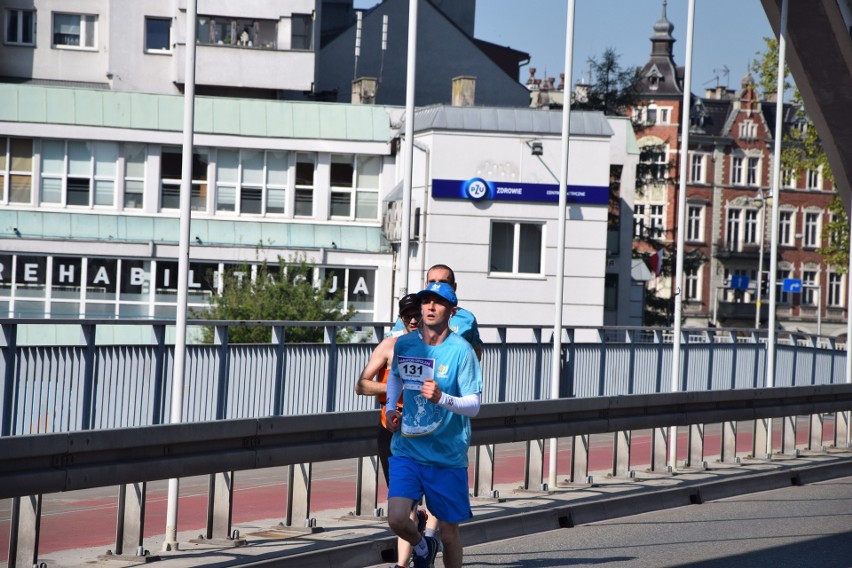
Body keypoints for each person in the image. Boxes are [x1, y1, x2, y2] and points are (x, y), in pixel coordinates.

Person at [385, 282, 482, 568]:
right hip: (408, 448)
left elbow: (474, 405)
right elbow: (395, 376)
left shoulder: (461, 351)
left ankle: (433, 544)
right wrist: (391, 407)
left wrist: (442, 398)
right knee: (397, 519)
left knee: (450, 534)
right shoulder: (405, 343)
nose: (429, 307)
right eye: (426, 301)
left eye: (437, 302)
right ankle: (422, 544)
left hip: (446, 456)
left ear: (451, 310)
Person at [355, 293, 427, 568]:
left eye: (416, 313)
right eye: (407, 315)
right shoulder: (389, 346)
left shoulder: (438, 348)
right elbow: (361, 385)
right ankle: (420, 542)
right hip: (391, 431)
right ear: (400, 317)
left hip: (424, 433)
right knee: (401, 503)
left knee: (407, 504)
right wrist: (394, 387)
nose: (412, 319)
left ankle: (403, 564)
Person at [391, 264, 483, 361]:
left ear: (454, 287)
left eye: (443, 282)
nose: (437, 286)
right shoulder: (413, 315)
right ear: (426, 285)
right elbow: (391, 344)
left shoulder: (467, 318)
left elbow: (476, 350)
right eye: (432, 282)